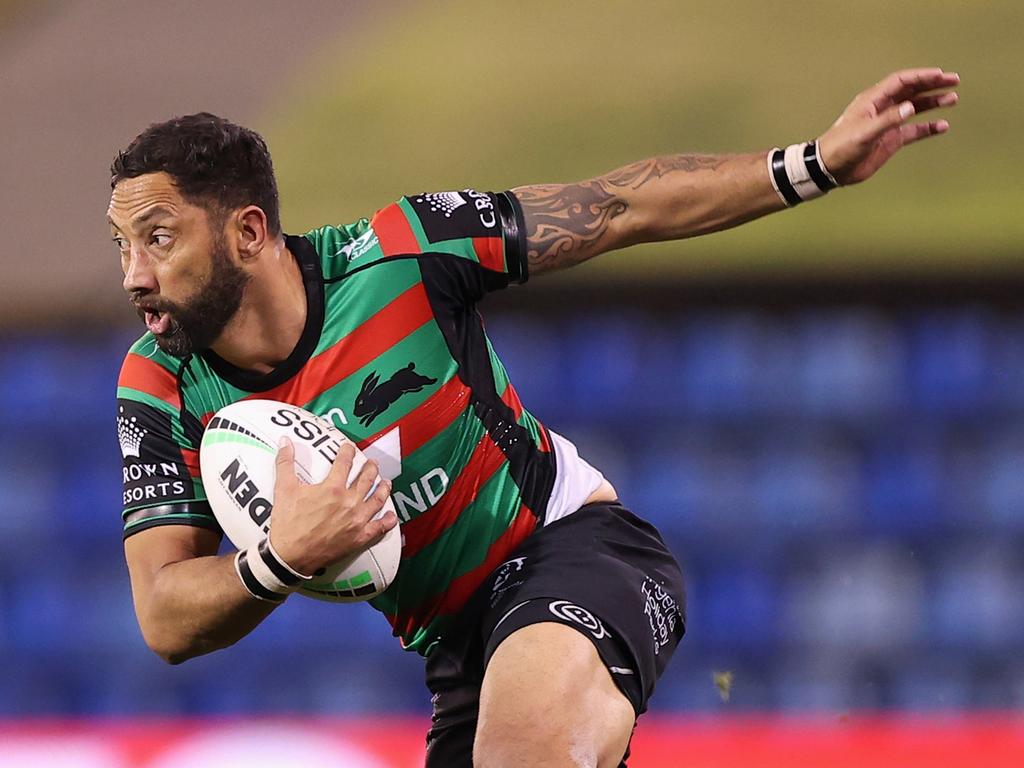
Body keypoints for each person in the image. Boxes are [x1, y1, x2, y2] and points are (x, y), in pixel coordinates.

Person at [111, 67, 958, 767]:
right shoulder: (159, 386)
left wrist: (815, 163)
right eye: (122, 245)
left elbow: (617, 206)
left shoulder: (402, 253)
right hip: (457, 655)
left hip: (576, 552)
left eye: (157, 238)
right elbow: (164, 615)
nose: (133, 276)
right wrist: (277, 559)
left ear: (248, 232)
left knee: (523, 749)